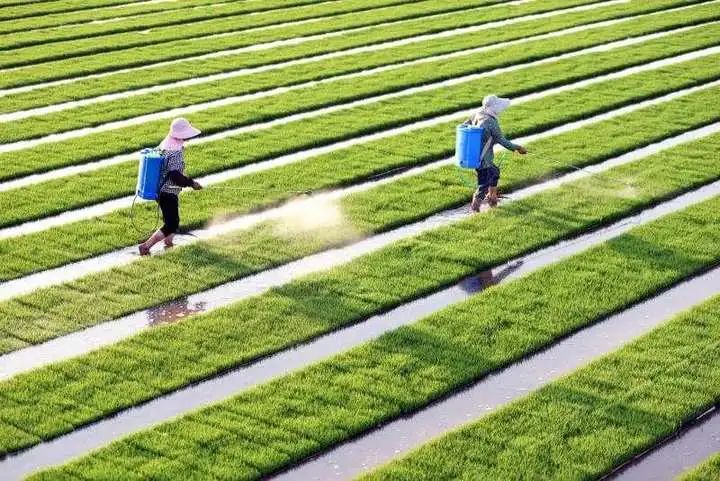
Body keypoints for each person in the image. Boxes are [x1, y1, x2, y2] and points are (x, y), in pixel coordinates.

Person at [138, 118, 203, 256]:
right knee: (172, 223)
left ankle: (168, 242)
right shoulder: (175, 152)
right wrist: (191, 183)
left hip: (159, 189)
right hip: (167, 192)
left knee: (171, 219)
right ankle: (146, 246)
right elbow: (175, 176)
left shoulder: (166, 143)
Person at [465, 95, 528, 211]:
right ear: (493, 108)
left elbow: (466, 124)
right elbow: (502, 140)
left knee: (495, 172)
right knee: (483, 185)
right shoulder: (490, 122)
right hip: (483, 160)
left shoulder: (479, 113)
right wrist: (518, 148)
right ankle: (475, 207)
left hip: (475, 155)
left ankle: (492, 197)